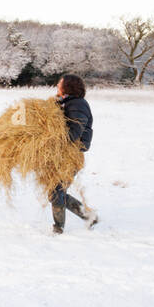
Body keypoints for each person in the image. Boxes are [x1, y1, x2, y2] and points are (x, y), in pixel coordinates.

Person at [50, 74, 98, 234]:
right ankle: (89, 216)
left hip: (72, 155)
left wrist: (51, 140)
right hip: (64, 153)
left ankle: (58, 228)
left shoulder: (78, 105)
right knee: (55, 191)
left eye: (60, 83)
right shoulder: (68, 103)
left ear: (68, 86)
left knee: (56, 190)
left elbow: (74, 132)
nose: (57, 85)